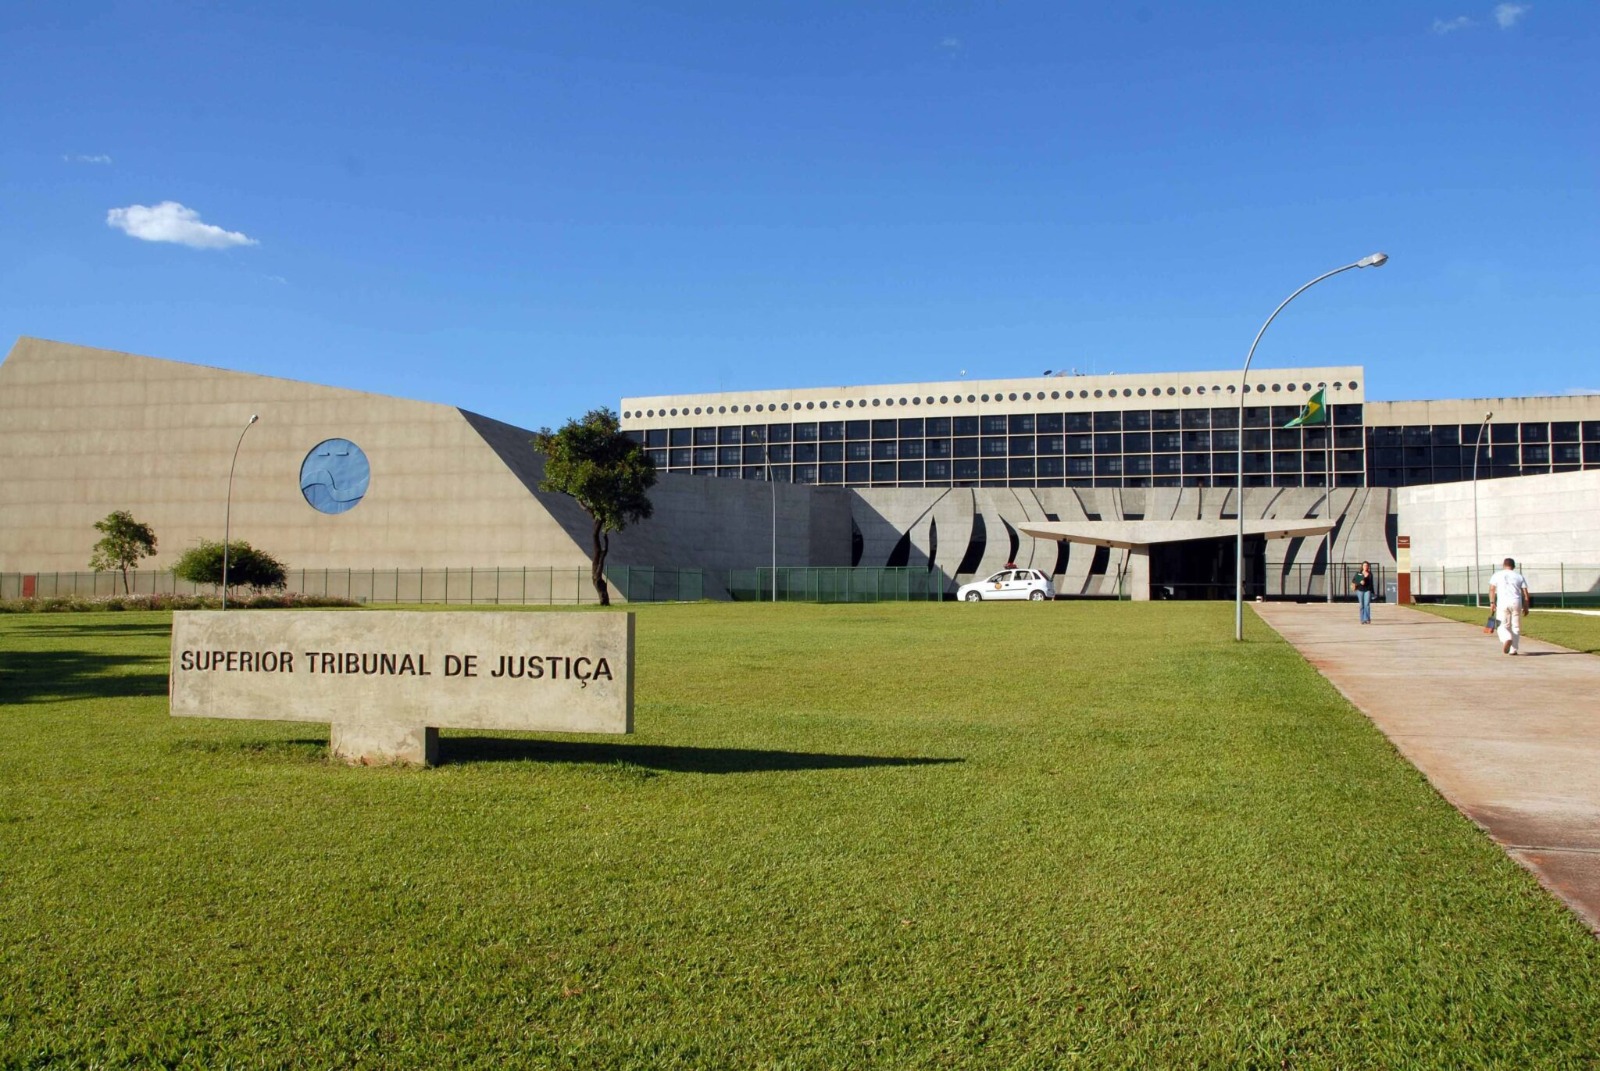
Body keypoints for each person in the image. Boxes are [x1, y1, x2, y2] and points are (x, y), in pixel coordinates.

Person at [1488, 557, 1531, 655]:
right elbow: (1525, 593)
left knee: (1502, 625)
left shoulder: (1497, 575)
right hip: (1516, 602)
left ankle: (1507, 638)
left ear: (1503, 565)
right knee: (1516, 626)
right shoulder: (1519, 576)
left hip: (1503, 603)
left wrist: (1492, 603)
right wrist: (1526, 606)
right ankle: (1513, 649)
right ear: (1514, 566)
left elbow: (1492, 589)